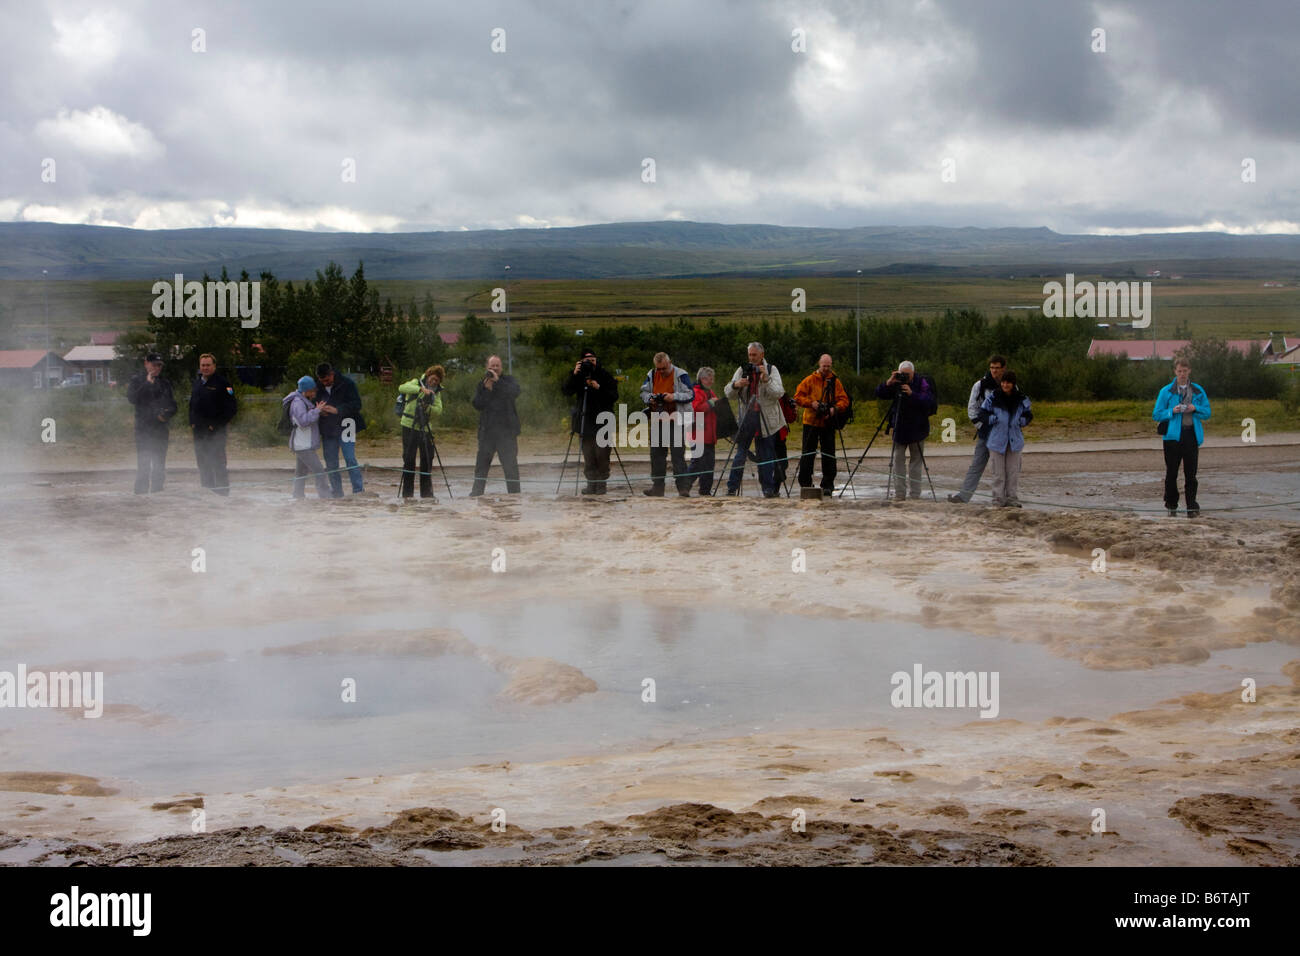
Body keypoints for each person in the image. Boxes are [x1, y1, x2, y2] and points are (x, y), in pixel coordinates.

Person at [1152, 357, 1211, 517]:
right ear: (1175, 372)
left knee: (1191, 474)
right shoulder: (1166, 391)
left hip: (1191, 435)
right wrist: (1172, 411)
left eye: (1185, 371)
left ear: (1189, 371)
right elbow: (1156, 414)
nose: (1182, 374)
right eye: (1179, 371)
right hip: (1171, 438)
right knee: (1171, 473)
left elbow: (1207, 413)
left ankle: (1191, 506)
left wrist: (1195, 407)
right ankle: (1171, 505)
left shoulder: (1198, 390)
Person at [724, 342, 785, 497]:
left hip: (766, 419)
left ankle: (768, 489)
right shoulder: (742, 369)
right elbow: (728, 393)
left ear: (762, 355)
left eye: (754, 355)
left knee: (766, 454)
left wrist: (767, 380)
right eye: (750, 355)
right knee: (740, 453)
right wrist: (736, 384)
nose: (751, 358)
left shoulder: (772, 370)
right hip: (747, 416)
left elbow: (779, 393)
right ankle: (732, 488)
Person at [874, 360, 937, 501]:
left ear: (913, 373)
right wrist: (889, 382)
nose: (905, 377)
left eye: (908, 374)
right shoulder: (896, 382)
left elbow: (929, 400)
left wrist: (912, 393)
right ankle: (900, 493)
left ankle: (915, 494)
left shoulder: (922, 383)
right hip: (900, 427)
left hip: (918, 427)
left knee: (916, 462)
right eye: (903, 374)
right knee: (897, 461)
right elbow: (879, 393)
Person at [949, 355, 1006, 503]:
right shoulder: (980, 385)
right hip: (986, 432)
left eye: (997, 368)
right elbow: (972, 409)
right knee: (977, 465)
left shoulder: (1010, 385)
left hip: (1003, 433)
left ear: (1003, 369)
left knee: (1001, 468)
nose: (994, 371)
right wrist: (981, 426)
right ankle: (963, 496)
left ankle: (1002, 498)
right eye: (992, 368)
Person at [562, 349, 618, 494]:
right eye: (587, 361)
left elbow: (614, 396)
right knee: (588, 455)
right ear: (581, 362)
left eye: (592, 360)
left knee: (602, 455)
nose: (590, 363)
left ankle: (601, 484)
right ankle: (591, 483)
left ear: (596, 360)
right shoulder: (578, 375)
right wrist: (574, 374)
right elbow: (566, 391)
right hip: (584, 422)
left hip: (602, 421)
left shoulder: (605, 375)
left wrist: (598, 387)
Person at [639, 352, 695, 497]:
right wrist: (649, 398)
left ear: (669, 363)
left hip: (676, 420)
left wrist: (673, 397)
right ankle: (658, 487)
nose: (661, 371)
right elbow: (643, 392)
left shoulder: (681, 374)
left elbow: (690, 394)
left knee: (677, 456)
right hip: (657, 418)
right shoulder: (651, 374)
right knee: (656, 455)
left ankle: (683, 488)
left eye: (664, 368)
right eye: (659, 369)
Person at [793, 354, 851, 493]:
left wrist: (833, 409)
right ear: (819, 364)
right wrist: (812, 403)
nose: (826, 368)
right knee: (807, 453)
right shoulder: (809, 380)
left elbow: (845, 400)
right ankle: (806, 483)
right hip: (810, 421)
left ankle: (827, 485)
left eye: (828, 366)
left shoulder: (835, 381)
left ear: (831, 365)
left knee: (829, 454)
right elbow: (798, 397)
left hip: (828, 422)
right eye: (824, 366)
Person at [978, 370, 1033, 508]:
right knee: (998, 473)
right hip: (996, 440)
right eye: (1003, 382)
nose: (1005, 384)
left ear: (1013, 384)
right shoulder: (993, 397)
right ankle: (997, 500)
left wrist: (1023, 421)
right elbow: (982, 413)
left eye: (1008, 382)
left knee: (1013, 472)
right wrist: (991, 419)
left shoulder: (1022, 399)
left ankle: (1012, 499)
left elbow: (1029, 415)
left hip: (1015, 441)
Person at [125, 352, 177, 494]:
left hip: (161, 430)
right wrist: (147, 383)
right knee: (144, 463)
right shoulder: (137, 380)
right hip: (143, 430)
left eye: (159, 365)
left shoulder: (165, 382)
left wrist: (165, 415)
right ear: (146, 363)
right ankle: (141, 492)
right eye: (154, 364)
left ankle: (157, 491)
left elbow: (173, 406)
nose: (157, 368)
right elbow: (132, 399)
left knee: (159, 464)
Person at [470, 354, 522, 496]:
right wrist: (487, 390)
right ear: (487, 367)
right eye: (492, 366)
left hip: (507, 434)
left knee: (510, 467)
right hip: (487, 434)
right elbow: (477, 404)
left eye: (497, 366)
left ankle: (515, 497)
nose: (494, 368)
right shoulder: (482, 384)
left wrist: (497, 382)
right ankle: (476, 495)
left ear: (501, 367)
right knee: (481, 467)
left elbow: (514, 392)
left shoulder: (508, 380)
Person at [189, 353, 237, 495]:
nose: (205, 368)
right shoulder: (197, 382)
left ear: (214, 366)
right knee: (203, 463)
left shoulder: (223, 384)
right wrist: (191, 422)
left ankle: (222, 494)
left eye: (208, 365)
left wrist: (215, 425)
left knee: (218, 463)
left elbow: (232, 409)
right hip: (198, 432)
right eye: (203, 365)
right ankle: (207, 492)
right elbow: (192, 405)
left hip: (215, 433)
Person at [315, 362, 365, 498]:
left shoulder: (347, 383)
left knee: (350, 459)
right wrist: (319, 412)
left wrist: (338, 410)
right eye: (322, 381)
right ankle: (337, 492)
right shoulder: (318, 386)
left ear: (332, 374)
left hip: (347, 425)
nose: (325, 383)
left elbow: (357, 404)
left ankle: (358, 491)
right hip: (328, 428)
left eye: (327, 380)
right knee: (331, 462)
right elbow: (313, 403)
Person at [282, 376, 333, 499]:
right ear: (306, 391)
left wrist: (318, 411)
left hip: (303, 444)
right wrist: (316, 411)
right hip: (303, 445)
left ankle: (297, 496)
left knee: (301, 473)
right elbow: (303, 422)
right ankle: (325, 496)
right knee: (319, 471)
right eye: (313, 390)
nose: (315, 392)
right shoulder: (298, 403)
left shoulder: (303, 400)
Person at [398, 365, 444, 498]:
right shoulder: (416, 382)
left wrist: (427, 407)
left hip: (424, 428)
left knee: (427, 460)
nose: (434, 382)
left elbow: (439, 410)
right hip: (408, 426)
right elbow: (401, 387)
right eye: (432, 379)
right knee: (409, 460)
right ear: (428, 376)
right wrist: (421, 389)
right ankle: (407, 495)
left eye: (437, 381)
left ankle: (426, 494)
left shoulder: (437, 393)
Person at [690, 367, 721, 496]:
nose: (712, 381)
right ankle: (683, 485)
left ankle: (705, 491)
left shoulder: (709, 392)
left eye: (712, 378)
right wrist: (711, 403)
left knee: (709, 465)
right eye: (710, 378)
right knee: (697, 464)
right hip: (698, 434)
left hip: (709, 435)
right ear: (703, 379)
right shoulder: (695, 392)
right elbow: (696, 409)